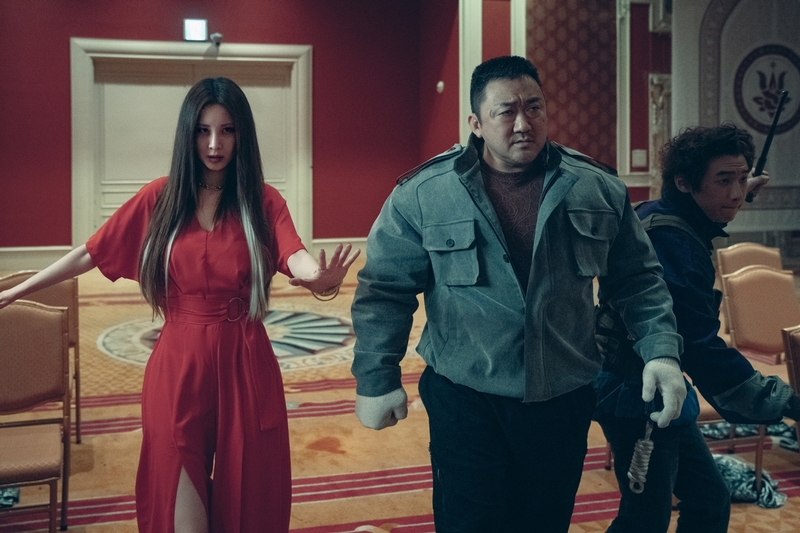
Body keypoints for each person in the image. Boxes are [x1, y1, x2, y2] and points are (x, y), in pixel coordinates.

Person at [0, 77, 360, 533]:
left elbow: (294, 254)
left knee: (247, 493)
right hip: (178, 365)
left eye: (227, 130)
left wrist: (317, 278)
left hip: (245, 363)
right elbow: (91, 252)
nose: (214, 144)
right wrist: (18, 290)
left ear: (242, 135)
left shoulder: (263, 201)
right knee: (179, 498)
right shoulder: (161, 197)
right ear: (187, 133)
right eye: (203, 131)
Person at [349, 55, 687, 533]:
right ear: (476, 123)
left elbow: (638, 279)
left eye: (534, 108)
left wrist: (661, 352)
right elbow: (385, 290)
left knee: (544, 522)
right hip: (466, 399)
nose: (523, 123)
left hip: (562, 398)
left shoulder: (595, 188)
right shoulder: (424, 193)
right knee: (470, 523)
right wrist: (376, 376)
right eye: (506, 111)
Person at [594, 123, 800, 533]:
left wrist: (737, 184)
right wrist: (787, 403)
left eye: (742, 179)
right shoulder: (674, 246)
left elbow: (700, 206)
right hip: (638, 393)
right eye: (724, 180)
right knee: (645, 519)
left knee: (708, 500)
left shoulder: (658, 211)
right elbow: (701, 350)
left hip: (655, 389)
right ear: (684, 183)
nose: (736, 194)